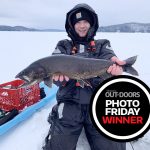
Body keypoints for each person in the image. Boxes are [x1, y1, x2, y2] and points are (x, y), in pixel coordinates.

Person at [43, 3, 126, 150]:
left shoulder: (102, 45)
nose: (82, 26)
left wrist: (114, 66)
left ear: (92, 23)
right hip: (69, 105)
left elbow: (109, 56)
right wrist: (57, 80)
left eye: (86, 21)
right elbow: (54, 65)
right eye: (78, 22)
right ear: (72, 25)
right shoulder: (63, 45)